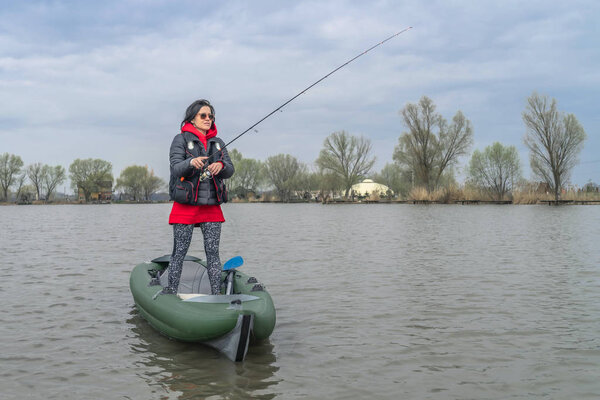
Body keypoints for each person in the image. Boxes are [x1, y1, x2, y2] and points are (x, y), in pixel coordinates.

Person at [159, 99, 234, 296]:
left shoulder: (218, 143)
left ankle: (217, 295)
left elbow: (230, 169)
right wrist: (191, 162)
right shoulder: (180, 139)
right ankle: (171, 292)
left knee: (213, 254)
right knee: (179, 253)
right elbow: (176, 167)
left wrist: (222, 166)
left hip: (211, 207)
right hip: (186, 206)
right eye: (203, 115)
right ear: (192, 118)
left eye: (211, 116)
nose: (208, 119)